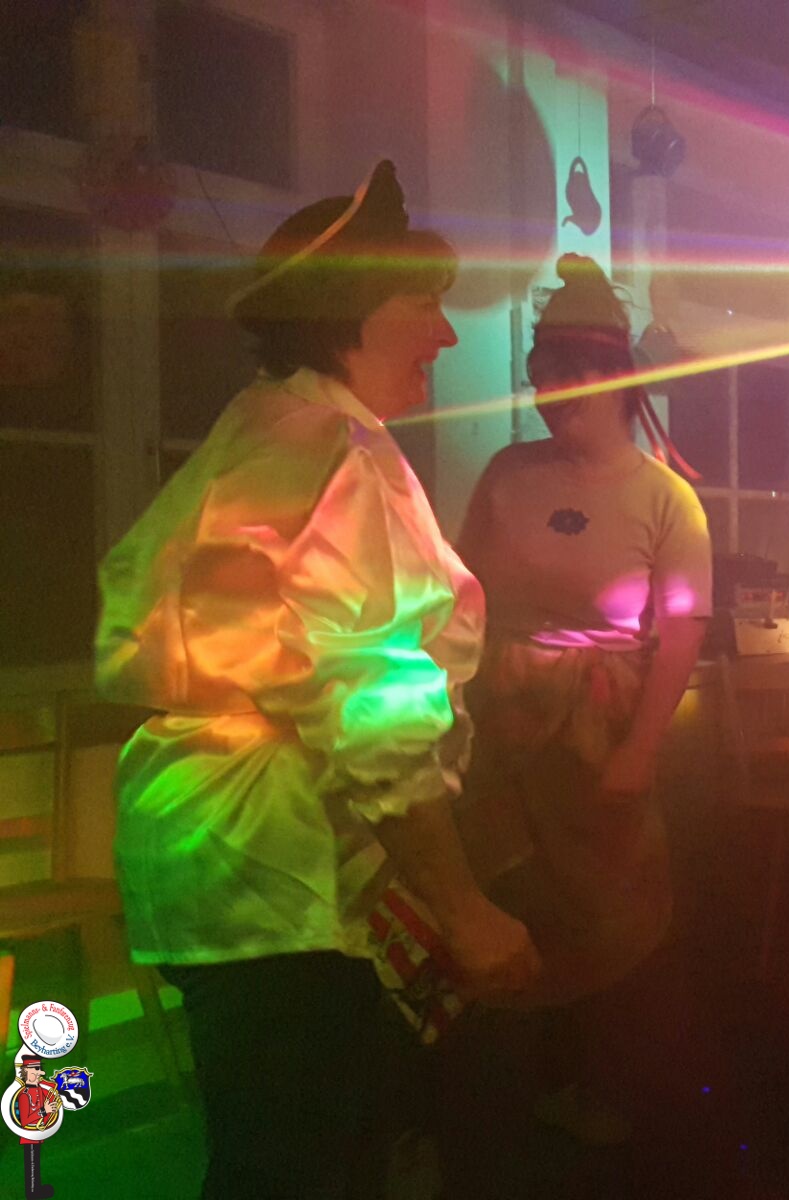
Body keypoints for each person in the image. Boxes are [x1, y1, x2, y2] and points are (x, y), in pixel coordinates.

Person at [96, 160, 539, 1198]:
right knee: (303, 1165)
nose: (446, 334)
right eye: (421, 304)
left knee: (282, 1150)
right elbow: (372, 704)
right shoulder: (337, 451)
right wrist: (463, 909)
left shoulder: (265, 428)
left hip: (225, 857)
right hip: (279, 873)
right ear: (349, 311)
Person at [453, 253, 712, 1145]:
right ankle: (504, 1111)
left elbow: (681, 632)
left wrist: (638, 750)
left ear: (619, 377)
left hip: (600, 735)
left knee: (609, 914)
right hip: (500, 727)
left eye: (577, 371)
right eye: (545, 370)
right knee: (507, 899)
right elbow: (463, 599)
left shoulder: (666, 498)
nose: (555, 391)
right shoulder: (507, 474)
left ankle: (608, 1097)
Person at [13, 1056, 59, 1199]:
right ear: (27, 1072)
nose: (40, 1073)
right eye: (36, 1070)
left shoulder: (38, 1090)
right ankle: (32, 1193)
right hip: (29, 1135)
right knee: (31, 1163)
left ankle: (36, 1190)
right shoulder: (24, 1095)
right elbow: (25, 1120)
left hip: (38, 1133)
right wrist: (44, 1111)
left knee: (35, 1162)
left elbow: (51, 1091)